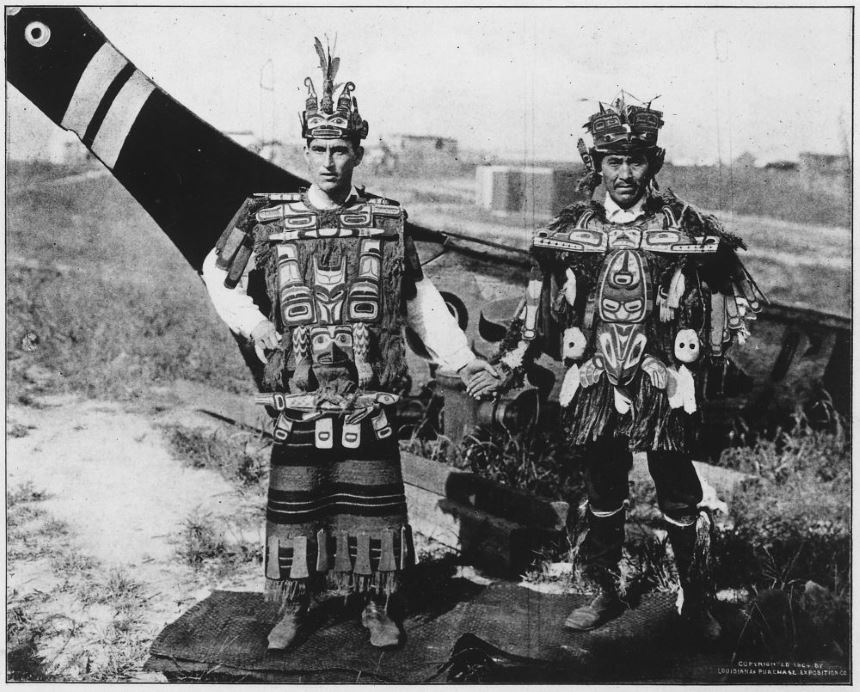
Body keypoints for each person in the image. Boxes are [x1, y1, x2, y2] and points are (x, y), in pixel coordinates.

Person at [201, 38, 496, 650]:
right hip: (301, 397)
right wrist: (256, 324)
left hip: (370, 396)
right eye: (318, 149)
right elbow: (217, 271)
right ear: (305, 151)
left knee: (371, 506)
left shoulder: (387, 222)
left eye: (340, 150)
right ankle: (295, 606)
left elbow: (418, 302)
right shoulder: (268, 218)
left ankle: (376, 606)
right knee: (299, 503)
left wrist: (463, 363)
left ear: (358, 153)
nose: (328, 161)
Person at [470, 93, 764, 639]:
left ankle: (695, 599)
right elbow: (535, 309)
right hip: (596, 379)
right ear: (596, 165)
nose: (624, 173)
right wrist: (508, 364)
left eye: (635, 161)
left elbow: (724, 297)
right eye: (613, 161)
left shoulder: (684, 227)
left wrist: (706, 363)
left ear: (653, 162)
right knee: (602, 489)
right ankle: (602, 591)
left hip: (662, 380)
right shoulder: (570, 229)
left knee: (677, 488)